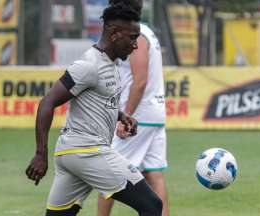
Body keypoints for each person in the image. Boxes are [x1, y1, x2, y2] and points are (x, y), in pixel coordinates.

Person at [25, 3, 163, 216]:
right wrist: (40, 154)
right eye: (132, 37)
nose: (136, 45)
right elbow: (47, 102)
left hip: (71, 154)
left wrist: (121, 115)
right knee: (152, 205)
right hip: (87, 151)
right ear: (115, 34)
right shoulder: (89, 65)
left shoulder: (111, 64)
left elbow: (97, 100)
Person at [97, 1, 169, 216]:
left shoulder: (137, 35)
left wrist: (124, 117)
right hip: (154, 113)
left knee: (108, 174)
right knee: (154, 175)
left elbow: (140, 80)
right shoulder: (148, 33)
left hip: (138, 115)